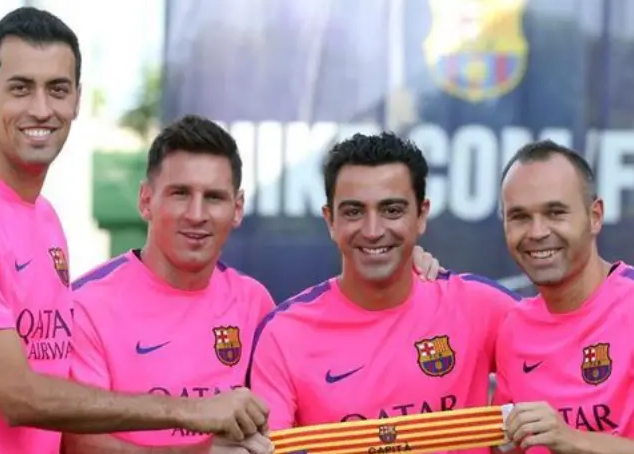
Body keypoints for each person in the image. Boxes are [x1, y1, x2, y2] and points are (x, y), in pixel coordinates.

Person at [0, 9, 265, 454]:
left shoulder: (46, 219)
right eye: (20, 88)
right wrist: (191, 411)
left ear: (76, 100)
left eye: (57, 89)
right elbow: (17, 395)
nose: (41, 108)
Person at [245, 133, 634, 453]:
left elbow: (575, 317)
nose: (373, 229)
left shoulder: (484, 308)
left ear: (421, 216)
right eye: (353, 212)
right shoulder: (284, 334)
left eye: (392, 210)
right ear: (329, 220)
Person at [62, 116, 444, 454]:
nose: (196, 214)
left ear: (237, 208)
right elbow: (75, 443)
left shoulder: (254, 301)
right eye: (180, 194)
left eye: (214, 197)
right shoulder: (86, 304)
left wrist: (399, 260)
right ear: (146, 200)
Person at [494, 140, 634, 454]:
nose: (537, 232)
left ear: (595, 216)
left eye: (555, 212)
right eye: (519, 216)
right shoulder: (513, 327)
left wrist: (573, 440)